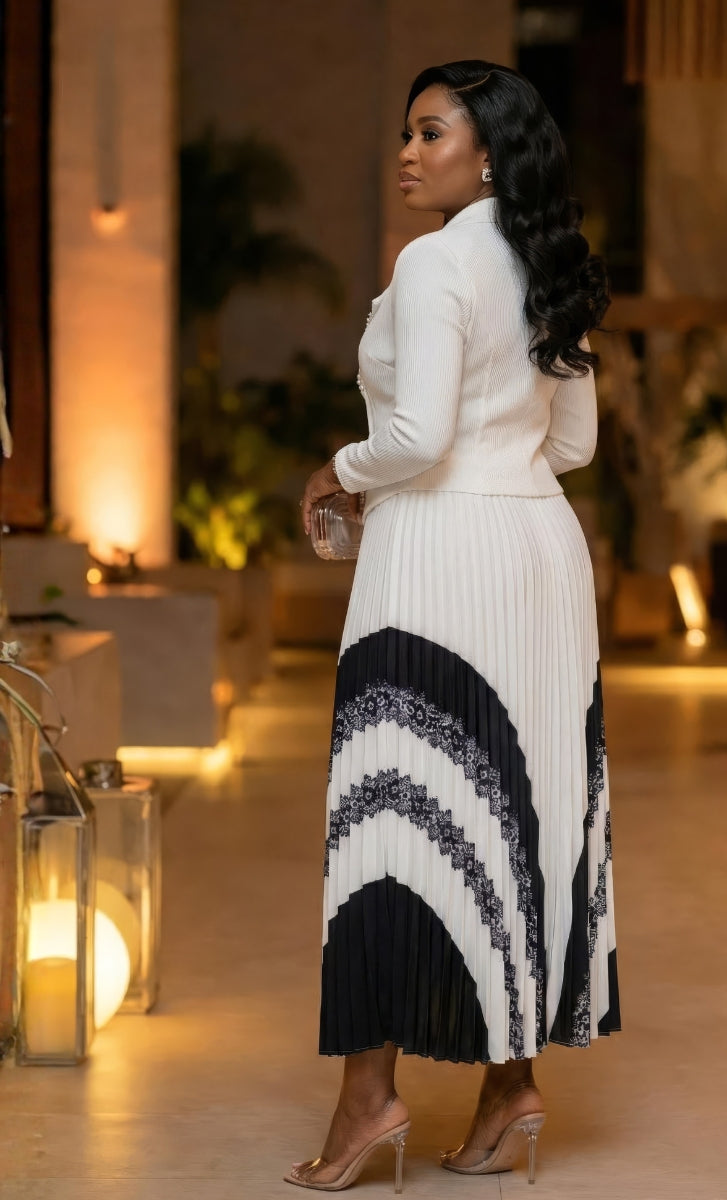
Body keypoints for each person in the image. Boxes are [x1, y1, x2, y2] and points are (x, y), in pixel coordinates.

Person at [289, 59, 620, 1193]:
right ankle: (510, 1085)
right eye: (407, 131)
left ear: (487, 155)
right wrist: (497, 460)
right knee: (528, 808)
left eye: (430, 133)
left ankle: (367, 1097)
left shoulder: (432, 262)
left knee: (397, 813)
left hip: (436, 552)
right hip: (538, 549)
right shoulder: (548, 263)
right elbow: (572, 444)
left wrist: (337, 470)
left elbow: (418, 437)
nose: (407, 152)